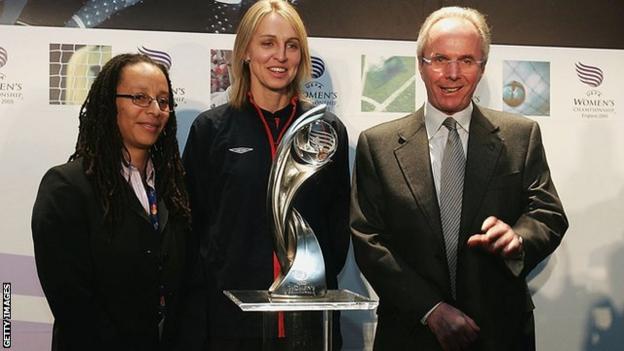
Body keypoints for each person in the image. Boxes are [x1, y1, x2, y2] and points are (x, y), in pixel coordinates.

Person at [350, 7, 568, 351]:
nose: (452, 73)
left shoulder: (520, 136)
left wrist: (519, 238)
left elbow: (549, 215)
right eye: (439, 59)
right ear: (420, 65)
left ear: (482, 68)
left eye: (467, 60)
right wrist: (431, 310)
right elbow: (368, 239)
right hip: (410, 332)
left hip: (499, 332)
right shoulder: (377, 144)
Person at [182, 0, 350, 349]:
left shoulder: (326, 130)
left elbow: (337, 227)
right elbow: (194, 228)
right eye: (268, 43)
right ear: (245, 51)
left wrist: (308, 284)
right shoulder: (211, 130)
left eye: (292, 46)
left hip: (308, 322)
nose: (281, 56)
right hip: (232, 323)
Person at [31, 53, 191, 350]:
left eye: (163, 101)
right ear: (109, 104)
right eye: (140, 97)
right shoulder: (67, 188)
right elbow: (72, 306)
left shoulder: (174, 189)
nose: (155, 110)